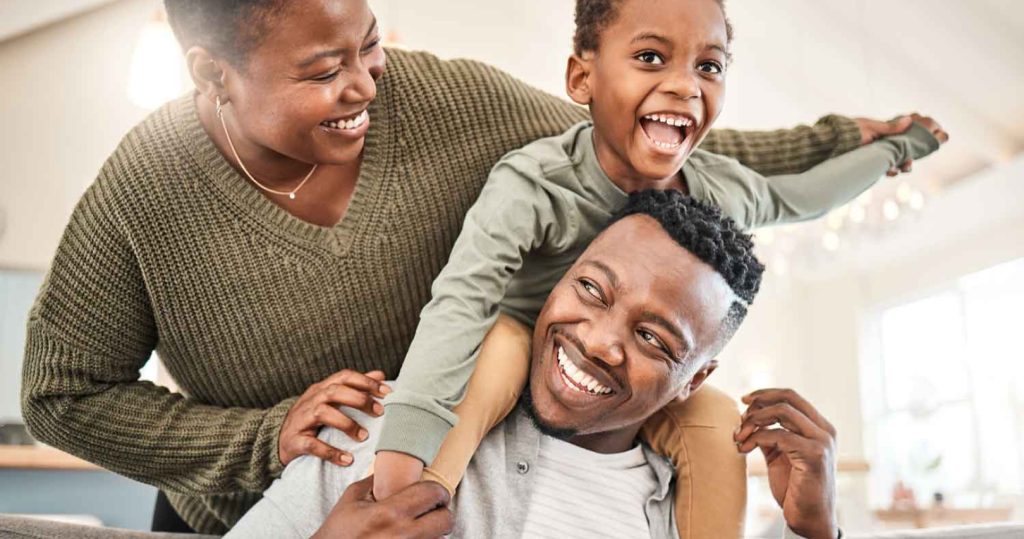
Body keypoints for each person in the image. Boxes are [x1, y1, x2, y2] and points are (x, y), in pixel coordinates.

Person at [19, 0, 931, 534]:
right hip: (276, 509)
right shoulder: (146, 191)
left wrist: (850, 141)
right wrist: (262, 440)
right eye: (324, 69)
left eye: (370, 41)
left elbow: (642, 140)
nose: (367, 82)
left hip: (453, 467)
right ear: (212, 76)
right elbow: (61, 393)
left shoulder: (450, 102)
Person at [372, 0, 946, 530]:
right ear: (582, 79)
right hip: (526, 342)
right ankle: (409, 508)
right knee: (498, 345)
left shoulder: (718, 190)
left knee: (719, 420)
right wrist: (401, 451)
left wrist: (895, 148)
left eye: (709, 67)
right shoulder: (536, 183)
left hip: (627, 383)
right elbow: (461, 300)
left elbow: (801, 196)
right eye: (651, 58)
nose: (683, 86)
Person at [228, 190, 841, 539]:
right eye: (593, 290)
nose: (600, 341)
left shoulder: (688, 511)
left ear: (695, 381)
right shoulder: (386, 433)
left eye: (655, 338)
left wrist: (813, 530)